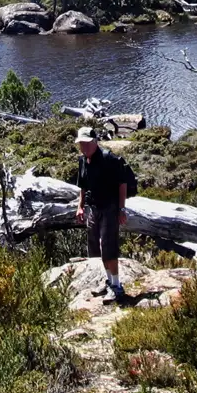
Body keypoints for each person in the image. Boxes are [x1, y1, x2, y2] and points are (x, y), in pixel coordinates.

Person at [74, 126, 128, 302]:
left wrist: (121, 209)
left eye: (87, 143)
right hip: (93, 208)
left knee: (108, 247)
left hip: (109, 208)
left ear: (95, 141)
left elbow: (122, 184)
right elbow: (83, 186)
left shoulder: (108, 159)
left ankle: (117, 287)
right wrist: (80, 206)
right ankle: (109, 281)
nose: (84, 147)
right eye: (81, 143)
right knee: (96, 247)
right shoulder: (83, 161)